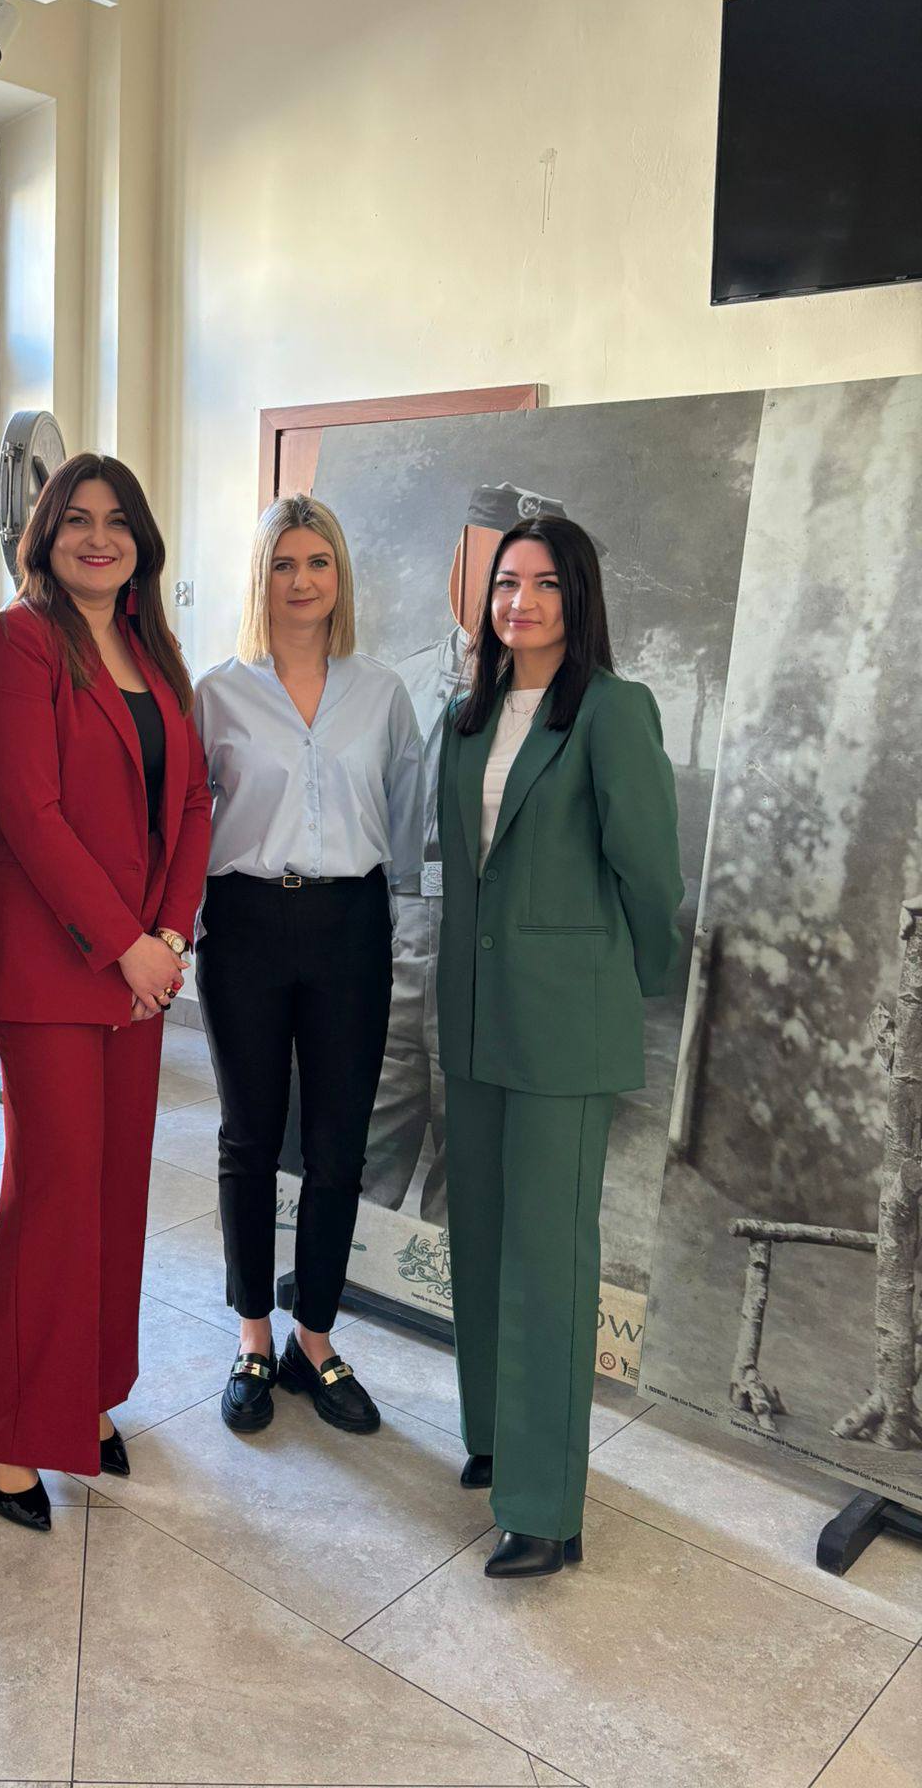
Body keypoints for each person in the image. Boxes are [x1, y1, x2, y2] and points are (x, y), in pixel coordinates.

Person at [0, 451, 211, 1531]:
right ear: (45, 534)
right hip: (49, 966)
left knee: (114, 1192)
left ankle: (86, 1393)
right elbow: (30, 814)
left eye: (117, 521)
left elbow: (192, 799)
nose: (98, 538)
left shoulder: (153, 649)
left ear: (141, 541)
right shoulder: (14, 645)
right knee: (54, 1196)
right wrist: (124, 944)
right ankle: (12, 1428)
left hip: (137, 967)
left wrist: (169, 934)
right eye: (76, 519)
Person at [437, 514, 682, 1578]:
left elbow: (652, 873)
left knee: (548, 1254)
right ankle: (498, 1436)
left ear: (578, 597)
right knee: (482, 1233)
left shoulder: (614, 710)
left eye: (543, 583)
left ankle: (545, 1507)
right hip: (476, 1012)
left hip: (564, 1021)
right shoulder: (466, 716)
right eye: (506, 582)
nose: (521, 601)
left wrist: (625, 983)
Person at [194, 494, 424, 1436]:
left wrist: (399, 916)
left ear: (340, 577)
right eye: (284, 563)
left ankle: (314, 1337)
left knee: (339, 1144)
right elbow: (185, 821)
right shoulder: (218, 693)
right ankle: (253, 1336)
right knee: (250, 1137)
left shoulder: (383, 694)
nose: (302, 581)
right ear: (262, 577)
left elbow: (406, 817)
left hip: (350, 924)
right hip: (245, 921)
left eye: (318, 563)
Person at [367, 481, 570, 1224]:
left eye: (533, 579)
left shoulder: (570, 704)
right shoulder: (403, 681)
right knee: (371, 1123)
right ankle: (348, 1268)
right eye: (488, 568)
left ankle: (451, 1277)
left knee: (474, 1141)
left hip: (498, 944)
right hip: (400, 933)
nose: (504, 593)